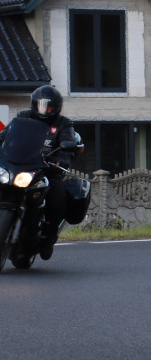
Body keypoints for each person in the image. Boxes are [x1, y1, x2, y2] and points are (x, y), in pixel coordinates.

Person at [0, 85, 78, 260]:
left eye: (49, 106)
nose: (44, 109)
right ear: (34, 104)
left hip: (48, 170)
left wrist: (62, 160)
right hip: (20, 166)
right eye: (41, 105)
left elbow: (68, 145)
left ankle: (49, 237)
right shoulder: (23, 117)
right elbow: (6, 135)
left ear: (56, 107)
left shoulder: (63, 123)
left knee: (57, 196)